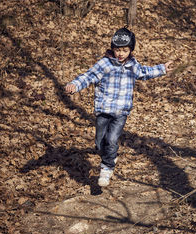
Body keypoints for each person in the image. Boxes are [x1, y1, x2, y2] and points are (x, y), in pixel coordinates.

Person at [65, 27, 173, 187]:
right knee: (100, 143)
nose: (120, 54)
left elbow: (144, 72)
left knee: (112, 139)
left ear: (130, 50)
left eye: (124, 50)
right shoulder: (104, 64)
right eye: (117, 50)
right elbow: (89, 76)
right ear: (112, 49)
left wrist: (162, 69)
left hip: (121, 112)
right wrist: (75, 84)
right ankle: (111, 155)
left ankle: (106, 169)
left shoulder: (132, 66)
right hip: (103, 110)